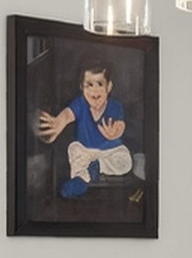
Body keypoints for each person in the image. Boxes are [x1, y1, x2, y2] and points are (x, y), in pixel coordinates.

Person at [32, 63, 131, 199]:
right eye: (89, 84)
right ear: (81, 88)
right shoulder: (80, 104)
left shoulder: (114, 106)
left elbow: (120, 124)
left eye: (100, 84)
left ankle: (95, 169)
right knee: (74, 149)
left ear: (109, 87)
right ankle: (80, 179)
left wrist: (116, 132)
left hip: (110, 152)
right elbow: (68, 114)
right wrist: (58, 122)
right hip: (86, 151)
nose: (95, 90)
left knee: (125, 161)